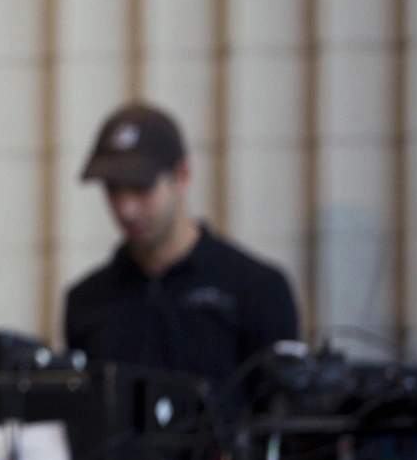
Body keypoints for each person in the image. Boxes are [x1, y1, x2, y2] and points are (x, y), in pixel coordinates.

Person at [64, 102, 300, 388]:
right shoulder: (87, 301)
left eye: (141, 187)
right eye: (113, 189)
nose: (126, 209)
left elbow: (282, 406)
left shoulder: (257, 290)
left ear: (182, 175)